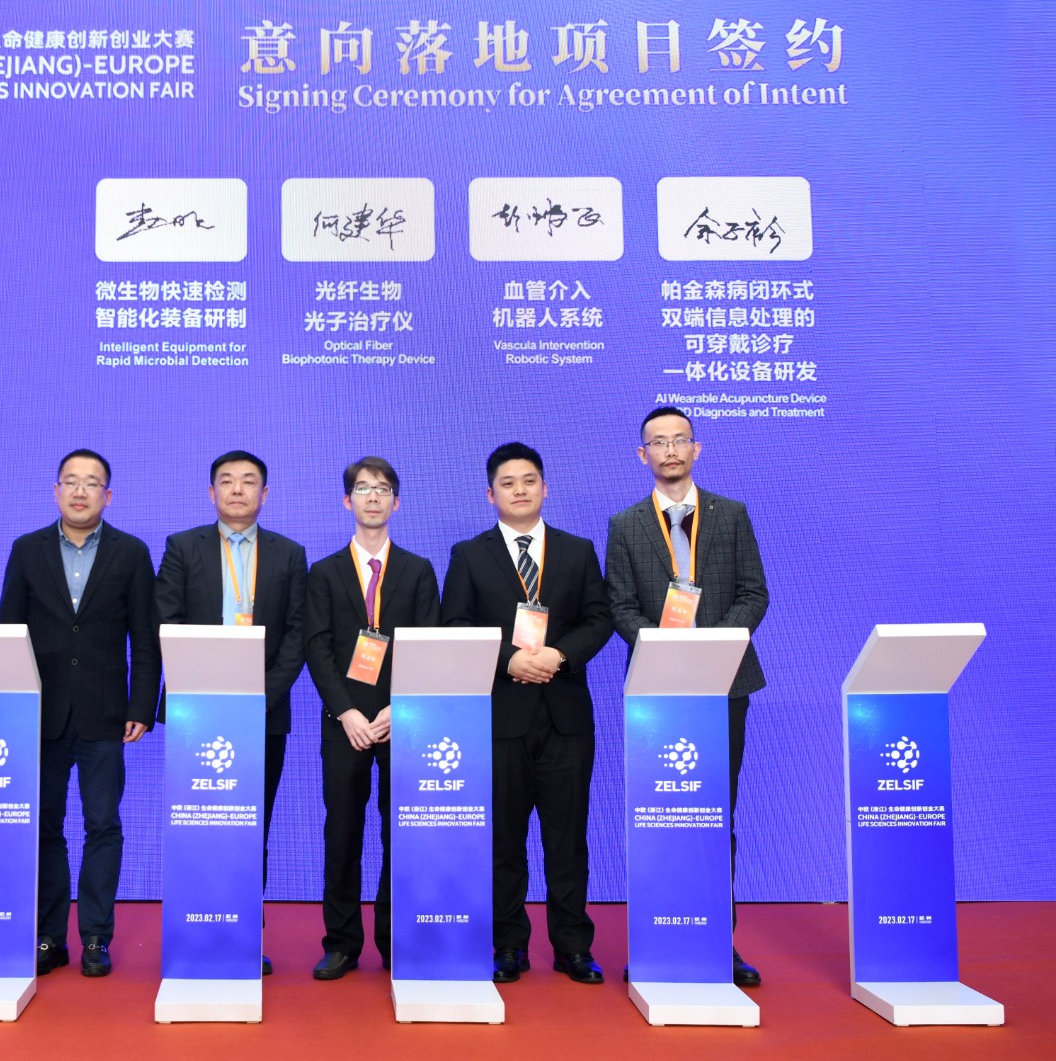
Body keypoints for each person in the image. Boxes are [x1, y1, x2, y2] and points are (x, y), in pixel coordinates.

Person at [605, 406, 769, 987]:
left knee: (714, 814)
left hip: (724, 684)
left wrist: (711, 648)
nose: (670, 450)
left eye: (679, 440)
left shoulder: (731, 515)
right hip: (658, 688)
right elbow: (620, 605)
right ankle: (658, 937)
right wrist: (665, 651)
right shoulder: (625, 525)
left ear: (696, 449)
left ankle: (718, 940)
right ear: (642, 455)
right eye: (658, 442)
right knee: (661, 815)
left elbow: (754, 593)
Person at [440, 442, 614, 985]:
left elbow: (599, 618)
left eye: (529, 480)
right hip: (500, 717)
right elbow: (455, 625)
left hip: (566, 717)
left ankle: (573, 947)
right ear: (490, 494)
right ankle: (509, 944)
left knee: (568, 839)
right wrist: (509, 659)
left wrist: (559, 656)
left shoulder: (577, 550)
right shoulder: (469, 555)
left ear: (545, 488)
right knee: (504, 839)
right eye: (508, 483)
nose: (520, 490)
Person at [0, 449, 161, 978]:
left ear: (108, 496)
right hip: (41, 713)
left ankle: (94, 936)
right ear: (56, 491)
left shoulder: (131, 552)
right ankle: (48, 936)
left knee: (103, 825)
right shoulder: (27, 550)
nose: (80, 491)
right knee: (44, 827)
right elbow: (7, 632)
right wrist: (11, 705)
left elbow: (145, 638)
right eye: (71, 481)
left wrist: (142, 706)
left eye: (92, 483)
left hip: (105, 713)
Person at [156, 450, 307, 976]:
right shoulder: (182, 547)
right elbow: (167, 621)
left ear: (265, 494)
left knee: (250, 827)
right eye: (226, 481)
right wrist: (201, 693)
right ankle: (193, 933)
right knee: (198, 825)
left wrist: (262, 697)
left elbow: (298, 634)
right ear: (211, 493)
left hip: (263, 714)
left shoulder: (290, 554)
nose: (237, 489)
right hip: (197, 715)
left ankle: (244, 935)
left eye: (248, 481)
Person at [302, 457, 440, 979]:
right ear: (347, 501)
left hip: (401, 719)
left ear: (396, 502)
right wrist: (347, 712)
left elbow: (427, 643)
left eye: (383, 489)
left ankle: (394, 938)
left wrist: (397, 707)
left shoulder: (419, 570)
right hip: (345, 724)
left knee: (399, 832)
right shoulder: (324, 572)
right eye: (362, 489)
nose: (373, 497)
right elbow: (317, 648)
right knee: (342, 832)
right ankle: (341, 942)